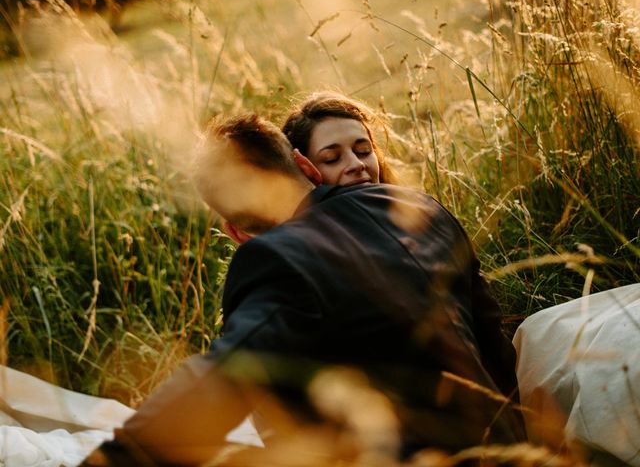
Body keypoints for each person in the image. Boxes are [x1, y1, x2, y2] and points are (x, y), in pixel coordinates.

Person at [82, 113, 526, 466]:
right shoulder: (421, 206)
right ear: (307, 166)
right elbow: (493, 343)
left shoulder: (274, 260)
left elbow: (220, 381)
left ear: (235, 232)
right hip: (507, 447)